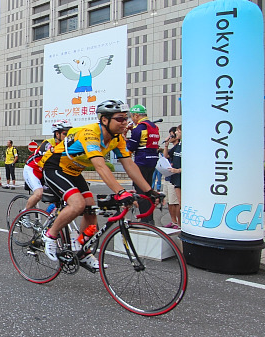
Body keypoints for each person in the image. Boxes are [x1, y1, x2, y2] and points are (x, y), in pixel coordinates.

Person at [38, 100, 161, 268]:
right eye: (120, 119)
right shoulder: (91, 134)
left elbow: (129, 165)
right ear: (104, 120)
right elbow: (100, 166)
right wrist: (120, 191)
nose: (125, 122)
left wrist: (149, 191)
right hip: (56, 167)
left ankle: (82, 252)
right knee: (77, 204)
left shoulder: (117, 138)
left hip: (75, 171)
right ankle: (50, 235)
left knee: (91, 210)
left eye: (126, 118)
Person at [23, 119, 72, 210]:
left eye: (69, 134)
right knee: (39, 194)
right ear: (57, 134)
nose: (67, 136)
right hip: (32, 170)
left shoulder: (66, 145)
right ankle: (24, 214)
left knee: (61, 195)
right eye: (65, 133)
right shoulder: (48, 143)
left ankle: (50, 219)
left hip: (45, 173)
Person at [126, 104, 160, 224]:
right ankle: (149, 219)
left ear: (136, 115)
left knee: (141, 191)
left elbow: (130, 147)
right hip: (152, 160)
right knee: (148, 189)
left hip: (141, 161)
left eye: (132, 117)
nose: (132, 120)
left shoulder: (139, 129)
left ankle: (145, 220)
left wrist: (124, 136)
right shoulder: (154, 126)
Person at [163, 125, 182, 229]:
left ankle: (180, 224)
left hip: (180, 177)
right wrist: (166, 145)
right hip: (174, 178)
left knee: (180, 203)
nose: (176, 133)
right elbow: (166, 156)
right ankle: (176, 223)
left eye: (178, 131)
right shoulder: (178, 146)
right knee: (175, 201)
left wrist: (178, 170)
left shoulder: (185, 146)